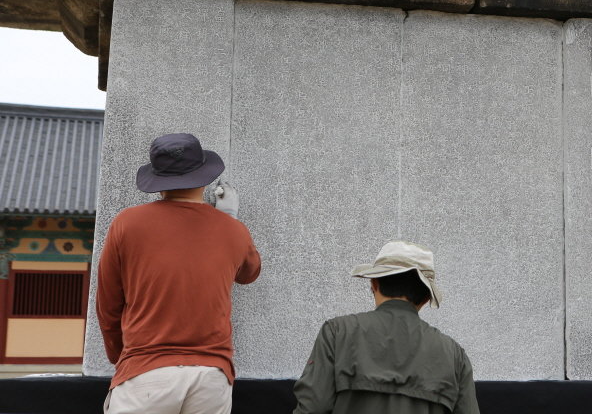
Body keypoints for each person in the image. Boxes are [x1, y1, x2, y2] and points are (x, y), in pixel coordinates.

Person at [96, 133, 262, 414]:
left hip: (144, 370)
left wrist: (121, 356)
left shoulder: (127, 223)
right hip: (211, 372)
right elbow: (249, 273)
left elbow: (108, 303)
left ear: (159, 180)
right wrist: (229, 219)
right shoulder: (233, 230)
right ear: (205, 176)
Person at [293, 240, 479, 414]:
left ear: (374, 283)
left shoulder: (337, 333)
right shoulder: (454, 357)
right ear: (425, 299)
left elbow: (312, 408)